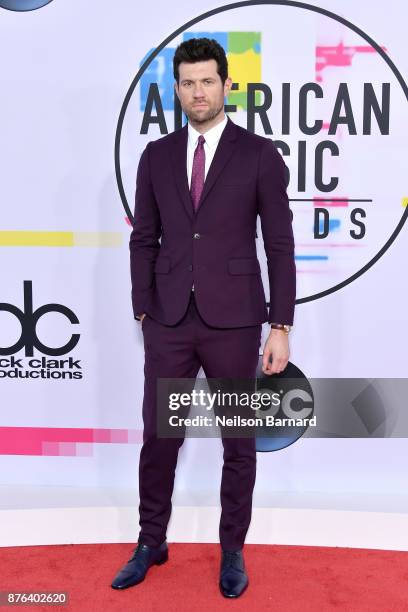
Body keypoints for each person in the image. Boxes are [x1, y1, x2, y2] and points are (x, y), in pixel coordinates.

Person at [111, 37, 296, 598]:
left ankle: (233, 549)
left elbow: (280, 244)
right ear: (177, 89)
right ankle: (151, 540)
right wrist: (143, 306)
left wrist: (279, 325)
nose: (198, 91)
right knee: (159, 438)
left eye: (207, 81)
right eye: (188, 82)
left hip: (237, 321)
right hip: (168, 320)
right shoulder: (156, 156)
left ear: (226, 85)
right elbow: (143, 239)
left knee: (237, 441)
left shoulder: (260, 154)